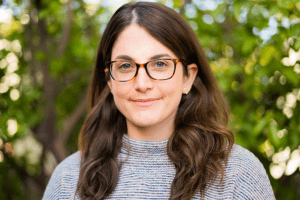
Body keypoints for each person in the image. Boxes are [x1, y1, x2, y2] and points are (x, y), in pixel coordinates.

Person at [42, 2, 275, 200]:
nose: (142, 83)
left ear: (188, 77)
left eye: (160, 64)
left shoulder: (238, 173)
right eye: (125, 66)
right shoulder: (68, 178)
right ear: (110, 81)